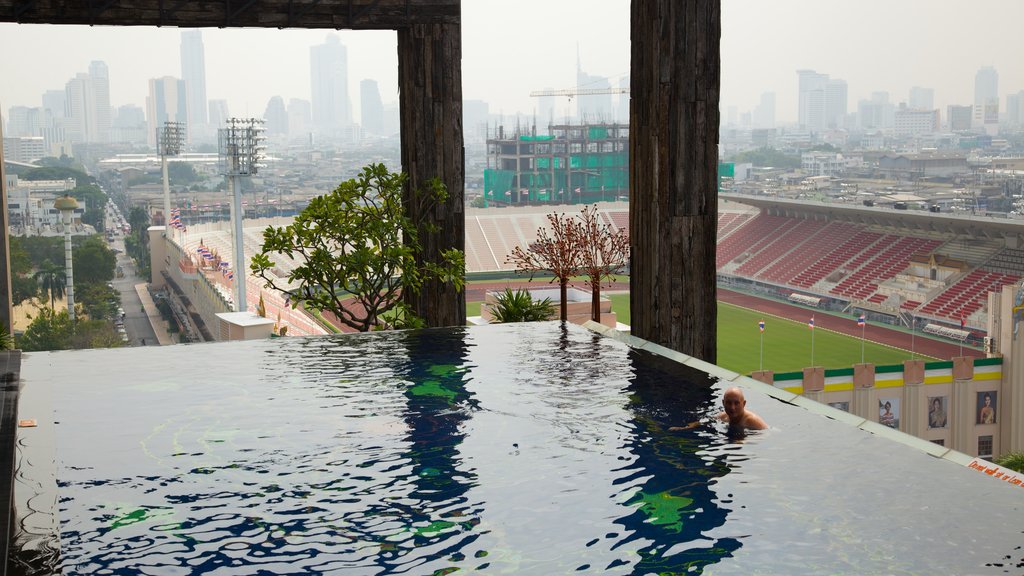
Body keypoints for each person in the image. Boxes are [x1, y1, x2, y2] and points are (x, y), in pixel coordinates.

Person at [670, 387, 768, 432]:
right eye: (729, 403)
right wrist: (684, 428)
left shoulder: (752, 421)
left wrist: (743, 441)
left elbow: (765, 436)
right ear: (723, 403)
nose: (732, 408)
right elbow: (706, 420)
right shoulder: (723, 416)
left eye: (736, 403)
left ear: (744, 404)